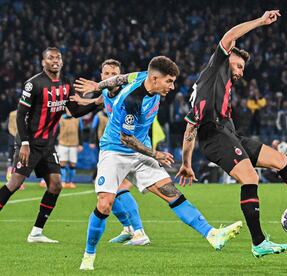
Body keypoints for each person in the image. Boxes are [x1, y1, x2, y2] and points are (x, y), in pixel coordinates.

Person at [176, 10, 287, 258]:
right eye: (238, 66)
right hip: (215, 137)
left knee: (280, 160)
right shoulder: (214, 70)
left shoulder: (222, 81)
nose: (241, 71)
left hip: (230, 133)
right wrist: (260, 22)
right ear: (226, 58)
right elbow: (191, 127)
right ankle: (259, 242)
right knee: (250, 178)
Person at [78, 56, 242, 270]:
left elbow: (120, 78)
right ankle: (88, 256)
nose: (172, 87)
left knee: (171, 193)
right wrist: (155, 154)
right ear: (155, 79)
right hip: (115, 151)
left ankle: (212, 234)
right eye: (169, 81)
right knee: (105, 204)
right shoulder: (133, 101)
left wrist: (98, 85)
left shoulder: (144, 76)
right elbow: (125, 138)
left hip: (141, 151)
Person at [0, 47, 99, 243]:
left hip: (47, 145)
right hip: (29, 143)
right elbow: (21, 115)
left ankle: (36, 232)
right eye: (50, 58)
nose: (55, 60)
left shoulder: (66, 84)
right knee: (14, 184)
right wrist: (25, 143)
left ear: (62, 62)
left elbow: (76, 111)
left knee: (55, 185)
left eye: (58, 57)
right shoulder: (34, 84)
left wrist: (97, 102)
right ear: (43, 62)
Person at [72, 59, 148, 245]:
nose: (109, 78)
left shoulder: (128, 93)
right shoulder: (106, 91)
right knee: (104, 190)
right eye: (106, 74)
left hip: (131, 147)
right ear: (101, 76)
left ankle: (139, 232)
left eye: (114, 74)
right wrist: (83, 100)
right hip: (115, 147)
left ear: (121, 77)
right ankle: (128, 228)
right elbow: (100, 100)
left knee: (119, 187)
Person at [57, 108, 84, 188]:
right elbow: (57, 130)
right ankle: (63, 181)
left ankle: (70, 181)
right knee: (62, 163)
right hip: (62, 143)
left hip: (73, 144)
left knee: (73, 164)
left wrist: (81, 144)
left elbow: (80, 131)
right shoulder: (61, 118)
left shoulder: (78, 119)